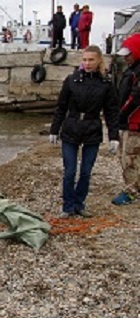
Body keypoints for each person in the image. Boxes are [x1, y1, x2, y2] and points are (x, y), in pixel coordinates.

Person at [49, 45, 120, 219]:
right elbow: (61, 107)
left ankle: (79, 204)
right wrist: (54, 130)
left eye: (91, 60)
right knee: (70, 171)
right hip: (72, 127)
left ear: (99, 61)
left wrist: (113, 137)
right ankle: (68, 206)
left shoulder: (105, 84)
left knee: (86, 171)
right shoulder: (72, 80)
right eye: (85, 59)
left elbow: (111, 112)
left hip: (92, 129)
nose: (87, 63)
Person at [112, 33, 140, 205]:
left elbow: (135, 98)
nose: (126, 58)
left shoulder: (137, 73)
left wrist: (121, 114)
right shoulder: (132, 70)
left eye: (128, 55)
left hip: (133, 122)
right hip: (130, 121)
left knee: (129, 158)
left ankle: (131, 192)